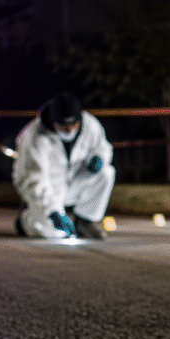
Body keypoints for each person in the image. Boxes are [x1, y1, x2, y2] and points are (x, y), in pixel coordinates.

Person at [12, 92, 115, 240]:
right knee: (55, 233)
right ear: (53, 121)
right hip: (48, 188)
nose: (70, 130)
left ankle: (86, 221)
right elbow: (33, 179)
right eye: (64, 126)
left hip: (75, 180)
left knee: (106, 173)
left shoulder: (89, 124)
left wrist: (99, 158)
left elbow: (102, 147)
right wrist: (52, 211)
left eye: (74, 125)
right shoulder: (34, 136)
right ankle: (26, 220)